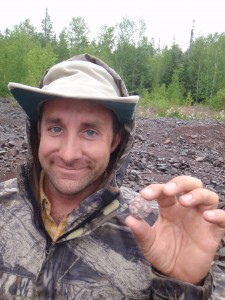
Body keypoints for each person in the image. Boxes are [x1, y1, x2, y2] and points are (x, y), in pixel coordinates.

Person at [0, 53, 224, 299]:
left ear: (116, 140)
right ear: (37, 132)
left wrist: (184, 285)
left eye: (89, 131)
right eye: (55, 128)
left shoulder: (154, 232)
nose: (68, 153)